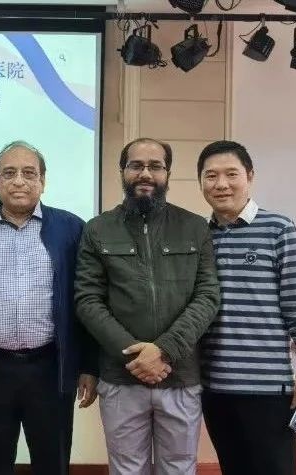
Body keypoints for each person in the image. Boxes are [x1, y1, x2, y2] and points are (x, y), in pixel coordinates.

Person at [0, 140, 98, 475]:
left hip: (50, 367)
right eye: (9, 173)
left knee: (52, 463)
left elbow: (86, 301)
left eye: (29, 173)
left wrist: (89, 365)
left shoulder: (71, 229)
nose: (19, 181)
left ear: (43, 181)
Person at [74, 137, 220, 475]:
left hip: (180, 375)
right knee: (126, 469)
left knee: (179, 468)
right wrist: (135, 356)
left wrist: (164, 350)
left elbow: (208, 295)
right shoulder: (98, 229)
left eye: (155, 166)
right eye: (136, 165)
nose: (145, 173)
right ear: (122, 172)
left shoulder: (195, 227)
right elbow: (87, 299)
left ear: (168, 173)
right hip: (121, 376)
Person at [196, 140, 296, 475]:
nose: (221, 184)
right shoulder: (199, 236)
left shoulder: (278, 229)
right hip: (214, 388)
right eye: (211, 176)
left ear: (249, 176)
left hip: (267, 390)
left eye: (231, 174)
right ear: (201, 182)